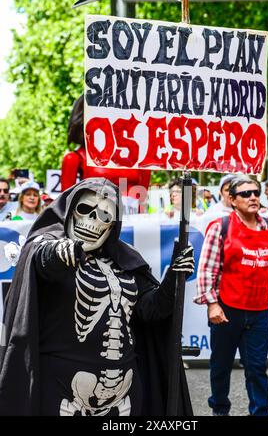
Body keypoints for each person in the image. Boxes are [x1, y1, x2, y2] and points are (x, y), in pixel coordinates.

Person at [0, 177, 194, 416]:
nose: (93, 219)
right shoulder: (47, 245)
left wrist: (173, 280)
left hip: (125, 391)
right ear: (71, 211)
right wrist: (58, 251)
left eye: (105, 215)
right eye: (85, 209)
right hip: (64, 390)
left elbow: (149, 311)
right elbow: (41, 258)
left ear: (112, 226)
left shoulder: (126, 261)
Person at [194, 175, 268, 416]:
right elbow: (207, 269)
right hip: (227, 309)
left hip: (258, 313)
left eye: (256, 192)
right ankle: (220, 410)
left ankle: (260, 413)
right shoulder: (220, 227)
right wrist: (212, 304)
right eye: (245, 194)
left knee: (257, 369)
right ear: (233, 200)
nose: (253, 197)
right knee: (221, 367)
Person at [61, 95, 151, 211]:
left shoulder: (140, 159)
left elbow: (142, 202)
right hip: (94, 223)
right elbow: (65, 206)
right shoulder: (75, 158)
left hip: (132, 223)